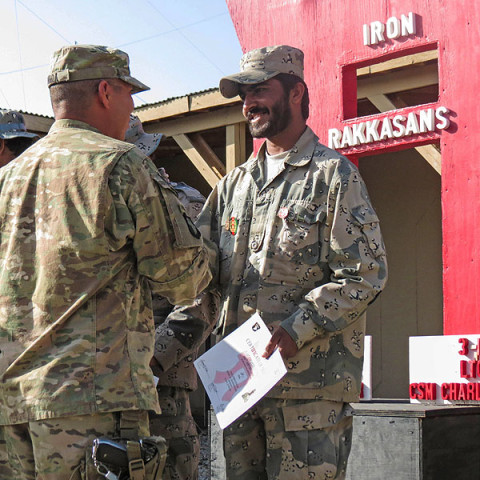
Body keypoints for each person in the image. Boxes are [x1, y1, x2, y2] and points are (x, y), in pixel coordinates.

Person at [154, 45, 388, 480]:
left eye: (259, 90)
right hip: (240, 387)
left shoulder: (332, 175)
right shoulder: (232, 187)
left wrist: (298, 328)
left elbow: (365, 274)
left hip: (307, 396)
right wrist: (154, 359)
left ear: (296, 92)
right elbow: (200, 286)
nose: (248, 103)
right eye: (243, 94)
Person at [0, 44, 212, 480]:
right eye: (129, 92)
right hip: (93, 407)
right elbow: (184, 280)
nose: (132, 104)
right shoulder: (120, 164)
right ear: (105, 91)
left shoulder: (7, 180)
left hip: (13, 408)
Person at [126, 113, 211, 480]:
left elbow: (201, 299)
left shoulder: (181, 204)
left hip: (162, 388)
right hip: (100, 383)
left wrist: (149, 364)